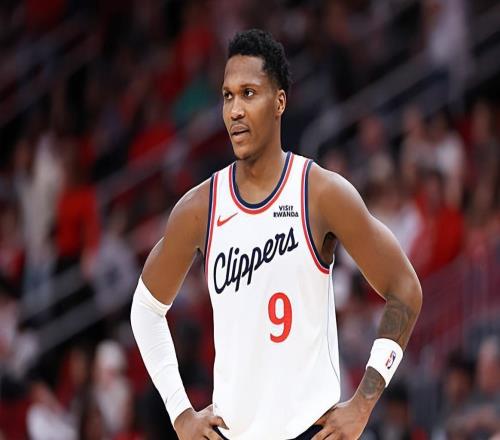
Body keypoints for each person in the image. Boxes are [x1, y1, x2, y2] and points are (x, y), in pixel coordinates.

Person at [130, 29, 422, 440]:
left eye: (248, 93)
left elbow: (405, 288)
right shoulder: (200, 208)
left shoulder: (320, 193)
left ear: (279, 101)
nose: (235, 110)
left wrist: (363, 404)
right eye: (227, 96)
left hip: (310, 431)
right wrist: (180, 412)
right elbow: (145, 308)